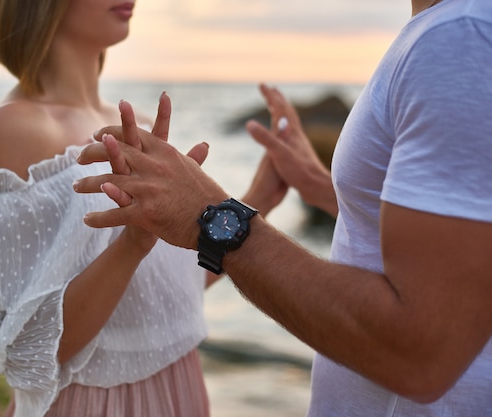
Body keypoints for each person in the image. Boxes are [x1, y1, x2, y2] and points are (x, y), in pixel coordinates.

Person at [73, 0, 492, 415]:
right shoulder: (448, 29)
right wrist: (334, 194)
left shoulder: (460, 34)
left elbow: (418, 352)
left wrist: (212, 215)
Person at [0, 0, 259, 416]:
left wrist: (261, 197)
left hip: (181, 389)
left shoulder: (138, 125)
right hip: (92, 403)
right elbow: (27, 350)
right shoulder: (12, 130)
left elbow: (164, 299)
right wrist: (133, 242)